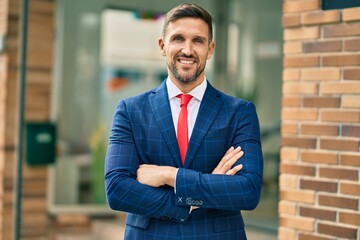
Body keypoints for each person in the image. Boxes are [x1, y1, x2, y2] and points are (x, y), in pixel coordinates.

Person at [105, 3, 263, 240]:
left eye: (197, 41)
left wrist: (171, 175)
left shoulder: (239, 113)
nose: (187, 50)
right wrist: (191, 202)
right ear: (162, 45)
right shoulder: (131, 110)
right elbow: (117, 190)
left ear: (210, 50)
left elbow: (248, 191)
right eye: (178, 38)